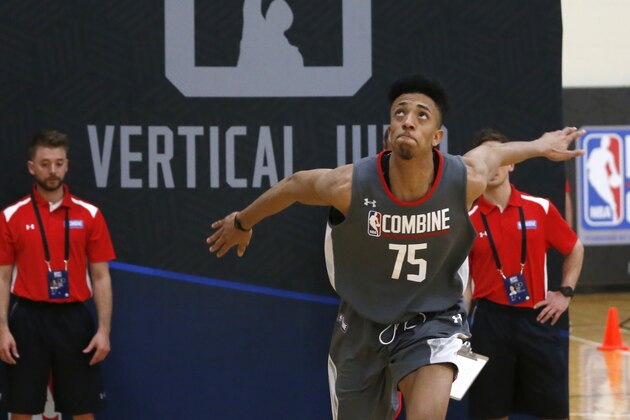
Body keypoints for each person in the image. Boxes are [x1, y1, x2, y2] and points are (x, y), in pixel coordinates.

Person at [206, 74, 584, 420]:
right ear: (389, 132)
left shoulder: (462, 179)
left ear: (437, 137)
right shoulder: (348, 186)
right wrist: (242, 222)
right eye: (400, 112)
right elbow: (293, 184)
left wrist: (539, 146)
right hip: (362, 324)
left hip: (433, 319)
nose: (408, 120)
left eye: (422, 116)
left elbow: (495, 154)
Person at [465, 128, 584, 420]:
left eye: (500, 157)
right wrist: (458, 328)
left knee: (551, 409)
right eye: (487, 158)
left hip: (537, 317)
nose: (493, 165)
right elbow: (463, 281)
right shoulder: (465, 217)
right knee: (490, 410)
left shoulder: (539, 208)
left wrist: (565, 293)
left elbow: (574, 247)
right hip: (488, 322)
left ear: (512, 162)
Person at [0, 130, 115, 420]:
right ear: (31, 167)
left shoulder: (90, 214)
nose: (53, 171)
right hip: (27, 318)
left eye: (59, 163)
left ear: (67, 165)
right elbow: (2, 278)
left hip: (74, 320)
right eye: (45, 163)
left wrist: (104, 331)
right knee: (22, 409)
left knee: (82, 409)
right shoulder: (11, 216)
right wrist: (2, 329)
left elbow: (101, 276)